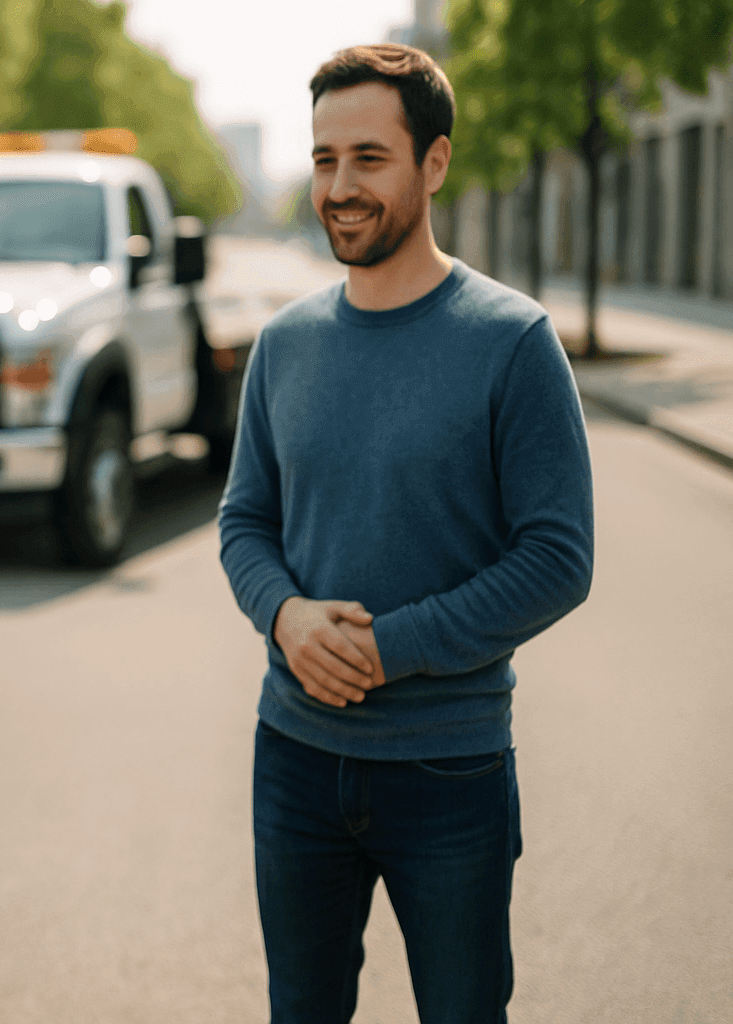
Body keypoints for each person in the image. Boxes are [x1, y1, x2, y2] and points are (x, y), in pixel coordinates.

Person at [218, 43, 593, 1024]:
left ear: (434, 163)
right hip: (294, 755)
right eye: (324, 159)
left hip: (449, 768)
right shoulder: (286, 342)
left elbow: (558, 557)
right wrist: (286, 616)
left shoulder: (512, 342)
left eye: (368, 159)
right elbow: (244, 520)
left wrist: (392, 649)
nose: (339, 187)